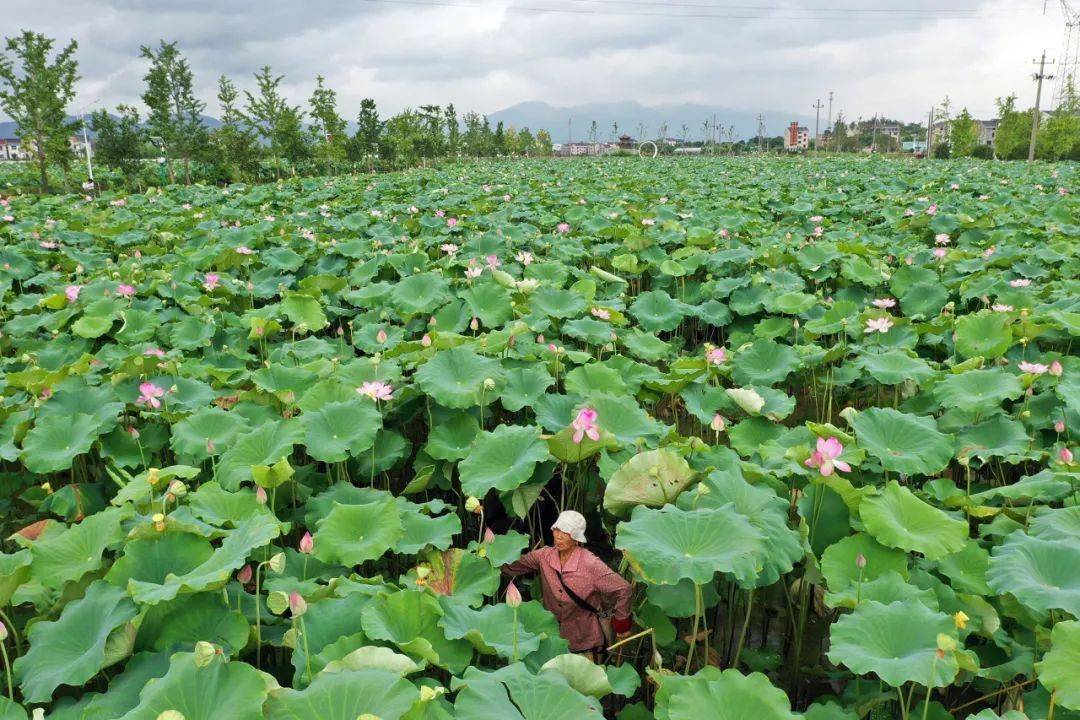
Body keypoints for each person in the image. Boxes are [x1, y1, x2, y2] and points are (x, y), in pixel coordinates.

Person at [502, 510, 633, 656]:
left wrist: (621, 623)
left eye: (565, 532)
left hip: (585, 641)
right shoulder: (543, 556)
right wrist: (488, 557)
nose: (558, 536)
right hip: (552, 640)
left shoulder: (590, 564)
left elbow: (623, 589)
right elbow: (510, 566)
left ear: (576, 537)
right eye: (556, 530)